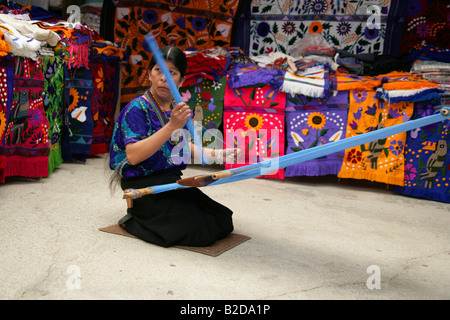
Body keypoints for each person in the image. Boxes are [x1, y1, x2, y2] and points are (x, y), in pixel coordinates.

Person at [109, 46, 235, 248]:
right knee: (202, 233)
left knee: (222, 219)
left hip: (170, 182)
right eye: (159, 70)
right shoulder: (137, 109)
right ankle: (132, 220)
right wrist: (171, 126)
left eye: (172, 73)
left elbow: (184, 145)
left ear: (181, 81)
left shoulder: (177, 111)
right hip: (143, 183)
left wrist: (219, 153)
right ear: (149, 74)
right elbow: (133, 156)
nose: (163, 78)